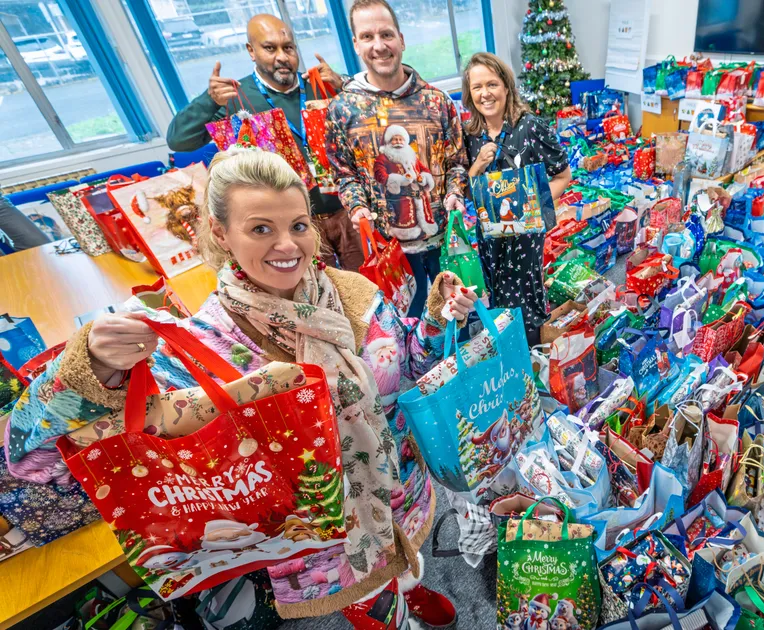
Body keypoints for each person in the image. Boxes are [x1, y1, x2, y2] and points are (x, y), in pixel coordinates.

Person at [4, 149, 475, 626]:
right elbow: (28, 457)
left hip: (402, 491)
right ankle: (380, 606)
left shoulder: (353, 292)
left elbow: (411, 364)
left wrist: (438, 321)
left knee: (405, 564)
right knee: (375, 606)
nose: (288, 245)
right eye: (261, 229)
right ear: (220, 234)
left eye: (298, 225)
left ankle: (409, 585)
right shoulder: (201, 350)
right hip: (324, 542)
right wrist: (90, 366)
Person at [165, 14, 364, 272]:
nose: (282, 56)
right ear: (251, 51)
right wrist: (209, 101)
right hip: (292, 226)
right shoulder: (235, 98)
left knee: (368, 287)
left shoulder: (319, 85)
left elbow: (368, 123)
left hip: (345, 211)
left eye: (288, 48)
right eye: (270, 48)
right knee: (316, 294)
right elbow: (178, 140)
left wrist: (343, 87)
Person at [326, 0, 469, 319]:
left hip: (442, 234)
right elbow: (344, 174)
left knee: (457, 306)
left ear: (401, 40)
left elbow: (456, 161)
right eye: (367, 36)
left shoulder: (437, 102)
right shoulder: (342, 110)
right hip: (391, 247)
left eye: (386, 34)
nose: (378, 45)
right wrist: (356, 206)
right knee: (412, 315)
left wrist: (454, 193)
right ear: (355, 44)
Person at [460, 52, 572, 346]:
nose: (485, 93)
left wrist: (534, 205)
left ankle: (533, 353)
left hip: (524, 235)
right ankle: (508, 352)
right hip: (488, 234)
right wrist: (477, 167)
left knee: (526, 296)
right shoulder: (471, 134)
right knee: (496, 294)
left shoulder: (530, 127)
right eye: (477, 87)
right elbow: (470, 190)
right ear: (470, 94)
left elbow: (563, 175)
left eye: (492, 84)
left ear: (506, 87)